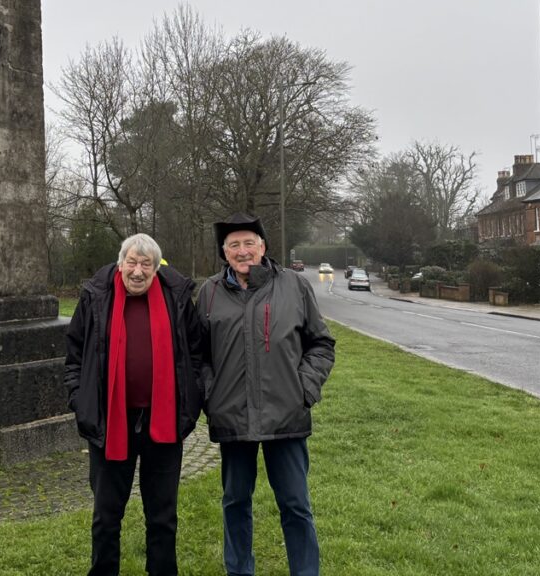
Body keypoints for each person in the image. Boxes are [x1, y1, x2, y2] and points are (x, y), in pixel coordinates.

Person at [199, 212, 336, 576]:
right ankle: (239, 571)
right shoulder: (209, 293)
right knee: (235, 503)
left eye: (249, 243)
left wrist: (303, 389)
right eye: (234, 245)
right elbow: (197, 356)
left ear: (262, 247)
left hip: (286, 415)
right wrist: (211, 395)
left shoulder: (293, 285)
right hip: (232, 416)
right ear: (224, 252)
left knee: (295, 505)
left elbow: (321, 344)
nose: (242, 251)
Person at [64, 233, 205, 576]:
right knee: (107, 515)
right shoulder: (96, 297)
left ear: (157, 269)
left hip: (164, 421)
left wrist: (191, 401)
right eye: (132, 262)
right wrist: (80, 401)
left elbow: (197, 355)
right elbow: (74, 355)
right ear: (120, 263)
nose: (138, 271)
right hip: (111, 422)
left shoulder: (178, 299)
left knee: (163, 516)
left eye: (146, 264)